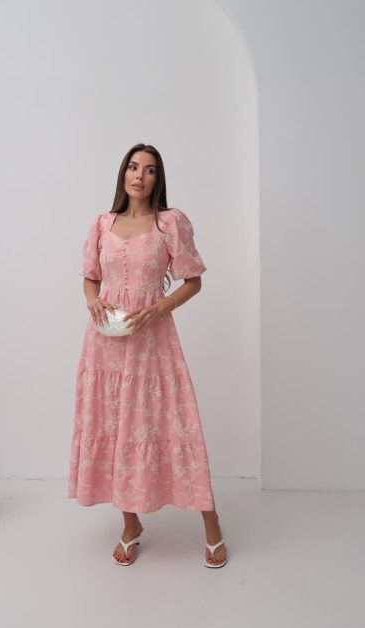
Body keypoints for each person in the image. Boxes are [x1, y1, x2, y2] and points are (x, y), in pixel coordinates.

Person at [68, 143, 228, 568]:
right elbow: (90, 278)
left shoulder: (170, 223)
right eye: (134, 167)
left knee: (178, 424)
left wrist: (158, 308)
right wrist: (93, 301)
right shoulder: (102, 224)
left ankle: (212, 524)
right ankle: (130, 524)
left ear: (158, 178)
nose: (140, 175)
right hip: (105, 343)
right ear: (123, 173)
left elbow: (193, 281)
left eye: (150, 169)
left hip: (153, 341)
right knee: (113, 424)